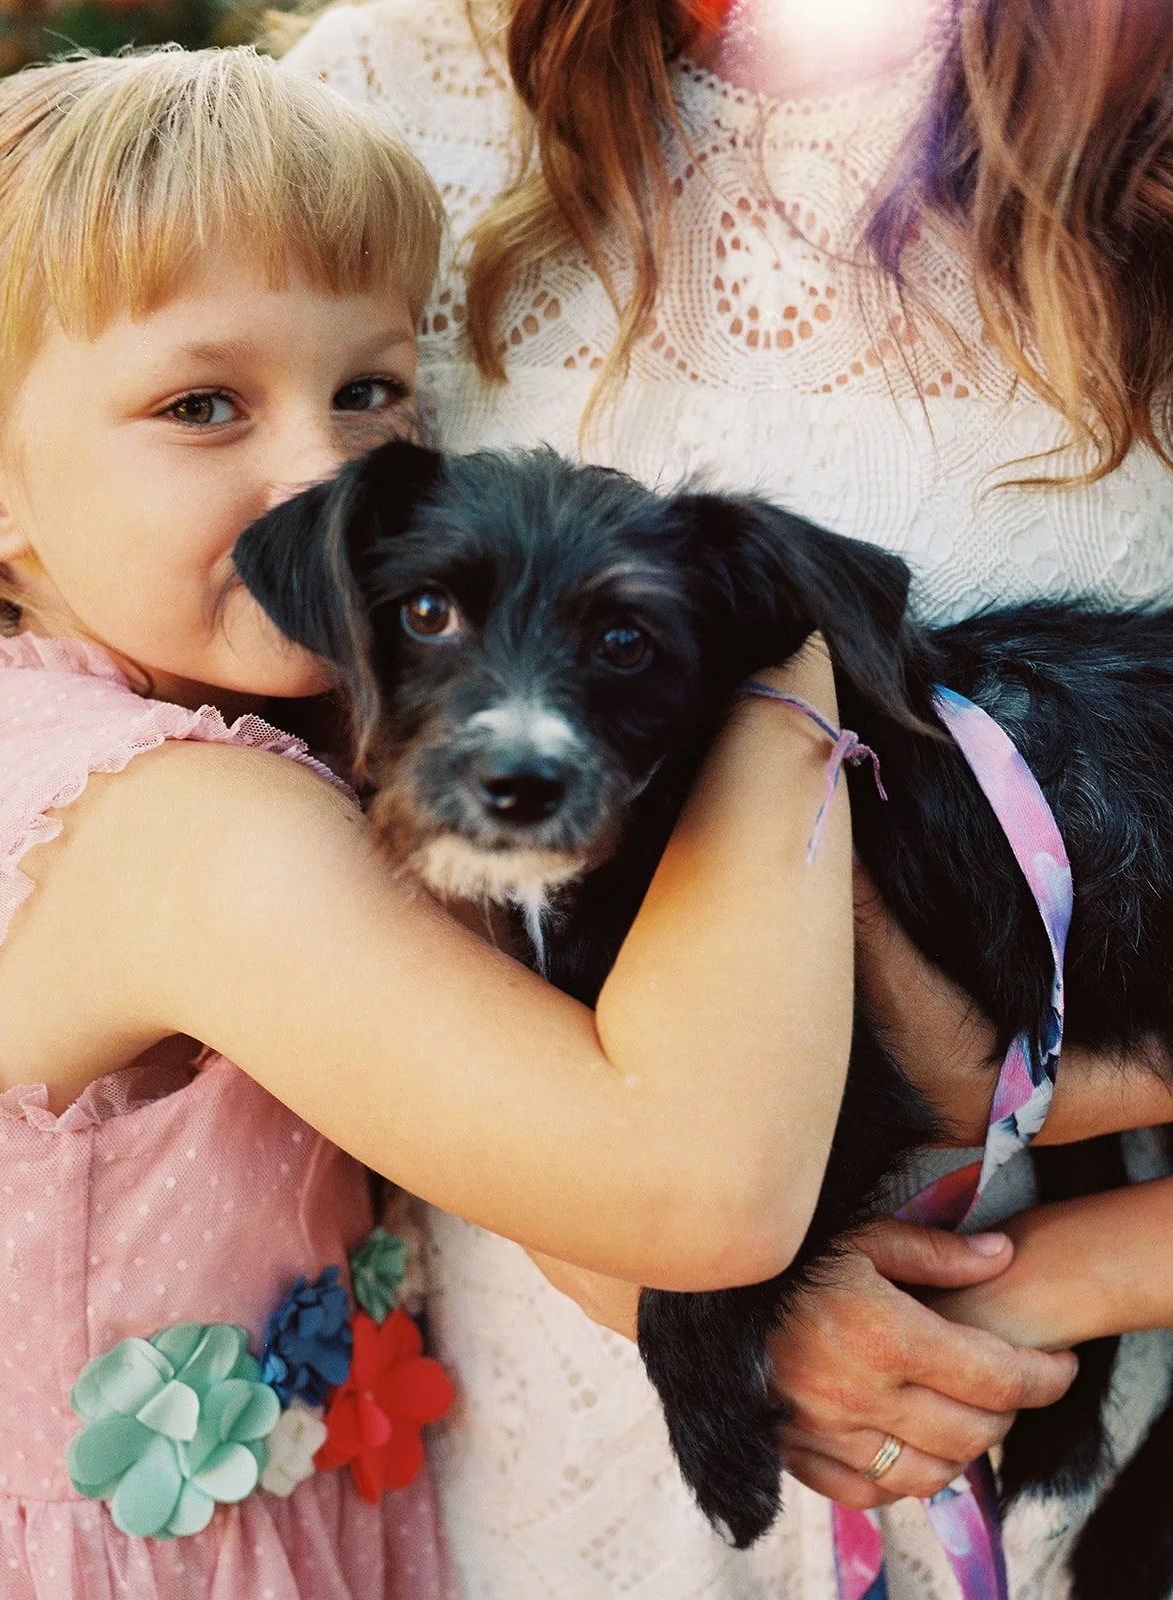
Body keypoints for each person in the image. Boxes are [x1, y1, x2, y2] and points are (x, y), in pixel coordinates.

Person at [0, 41, 920, 1599]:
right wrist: (785, 662)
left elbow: (510, 1123)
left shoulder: (85, 724)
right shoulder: (175, 823)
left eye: (368, 393)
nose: (319, 472)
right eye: (202, 403)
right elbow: (696, 1185)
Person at [280, 1, 1173, 1595]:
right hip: (535, 1358)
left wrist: (1043, 1279)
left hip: (1062, 1410)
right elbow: (236, 759)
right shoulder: (388, 92)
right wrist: (682, 1265)